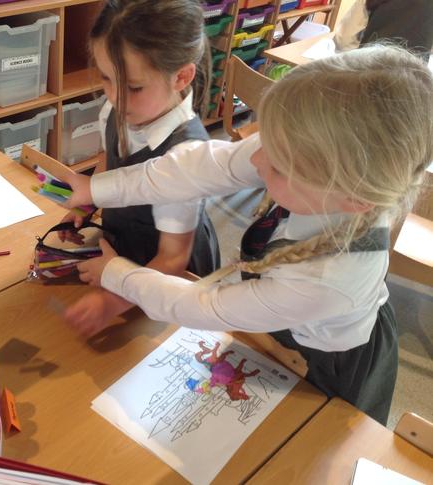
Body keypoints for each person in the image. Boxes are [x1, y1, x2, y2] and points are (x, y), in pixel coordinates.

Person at [61, 45, 433, 425]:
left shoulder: (327, 281)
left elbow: (202, 306)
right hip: (278, 318)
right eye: (263, 143)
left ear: (353, 199)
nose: (256, 160)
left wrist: (117, 274)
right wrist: (96, 189)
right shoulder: (310, 160)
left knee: (300, 436)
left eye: (277, 166)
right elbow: (205, 166)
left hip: (324, 360)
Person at [58, 0, 219, 329]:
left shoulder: (186, 156)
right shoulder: (118, 108)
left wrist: (113, 301)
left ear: (181, 77)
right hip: (123, 253)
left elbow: (174, 258)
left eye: (134, 87)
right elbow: (108, 163)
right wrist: (87, 203)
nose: (115, 97)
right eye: (106, 78)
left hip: (164, 274)